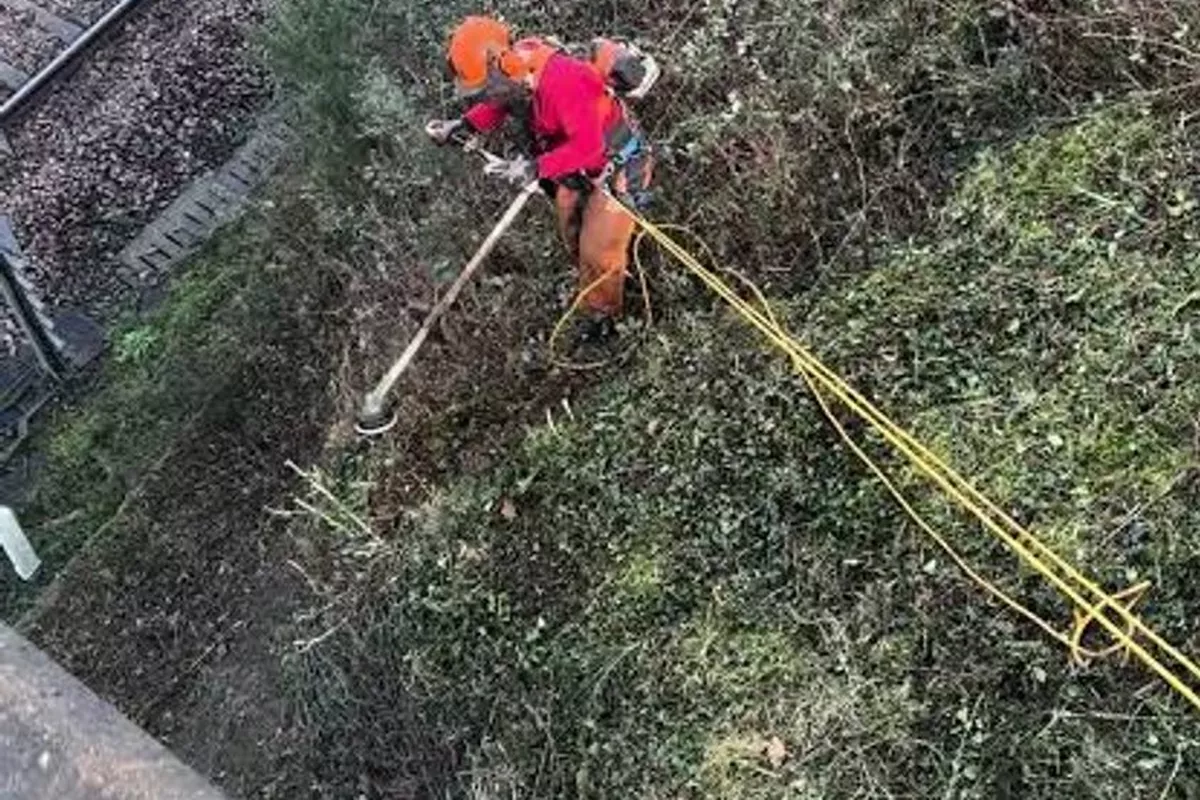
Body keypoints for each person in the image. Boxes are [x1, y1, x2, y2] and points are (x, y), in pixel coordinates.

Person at [427, 16, 659, 342]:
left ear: (498, 65)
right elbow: (499, 103)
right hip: (578, 167)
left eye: (484, 88)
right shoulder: (517, 73)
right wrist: (464, 126)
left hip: (619, 164)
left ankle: (604, 320)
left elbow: (589, 146)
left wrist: (535, 168)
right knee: (572, 233)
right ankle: (607, 280)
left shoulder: (565, 80)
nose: (482, 97)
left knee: (598, 251)